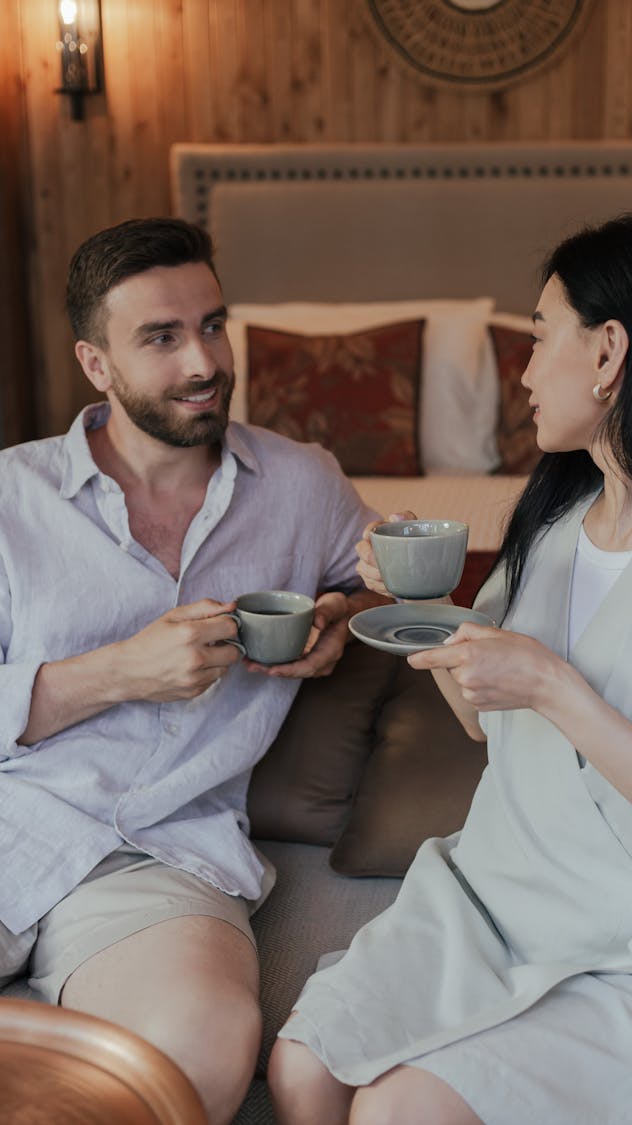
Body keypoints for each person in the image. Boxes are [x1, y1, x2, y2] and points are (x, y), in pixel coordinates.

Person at [267, 213, 632, 1125]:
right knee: (301, 1068)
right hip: (492, 895)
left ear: (609, 353)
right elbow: (487, 721)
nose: (521, 376)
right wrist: (424, 617)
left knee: (398, 1110)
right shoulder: (556, 529)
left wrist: (555, 686)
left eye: (536, 340)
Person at [0, 217, 383, 1124]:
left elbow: (368, 585)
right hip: (15, 813)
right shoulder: (10, 496)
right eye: (162, 338)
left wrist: (340, 620)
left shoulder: (303, 484)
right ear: (97, 364)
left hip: (168, 849)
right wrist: (119, 671)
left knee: (204, 1044)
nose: (204, 361)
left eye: (213, 324)